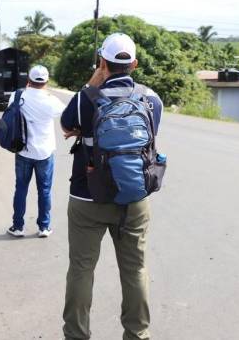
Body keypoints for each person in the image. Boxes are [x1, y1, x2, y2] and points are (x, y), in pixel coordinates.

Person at [60, 33, 163, 340]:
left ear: (101, 62)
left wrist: (94, 81)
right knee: (135, 270)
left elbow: (67, 126)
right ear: (134, 63)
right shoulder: (151, 99)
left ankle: (77, 335)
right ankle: (137, 334)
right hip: (134, 197)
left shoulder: (86, 99)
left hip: (87, 196)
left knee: (81, 269)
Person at [6, 65, 65, 238]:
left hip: (23, 150)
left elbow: (9, 113)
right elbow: (66, 114)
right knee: (45, 190)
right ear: (46, 82)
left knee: (21, 188)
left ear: (28, 80)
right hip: (45, 153)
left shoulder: (18, 96)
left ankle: (18, 227)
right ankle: (44, 227)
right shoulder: (51, 100)